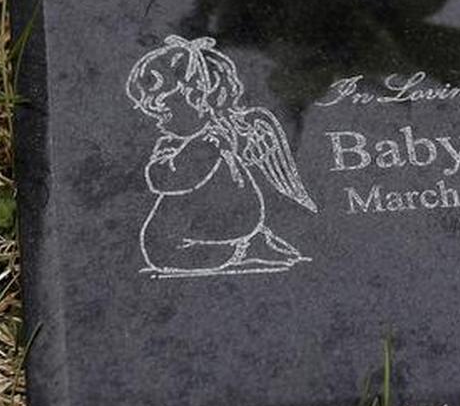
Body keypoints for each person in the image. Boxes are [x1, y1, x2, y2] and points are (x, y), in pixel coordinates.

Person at [125, 33, 316, 276]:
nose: (158, 122)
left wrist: (165, 161)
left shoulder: (207, 143)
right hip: (201, 229)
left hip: (188, 240)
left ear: (199, 99)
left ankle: (243, 248)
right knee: (165, 246)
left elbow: (167, 180)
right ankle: (248, 243)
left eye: (164, 112)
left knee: (162, 253)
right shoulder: (206, 139)